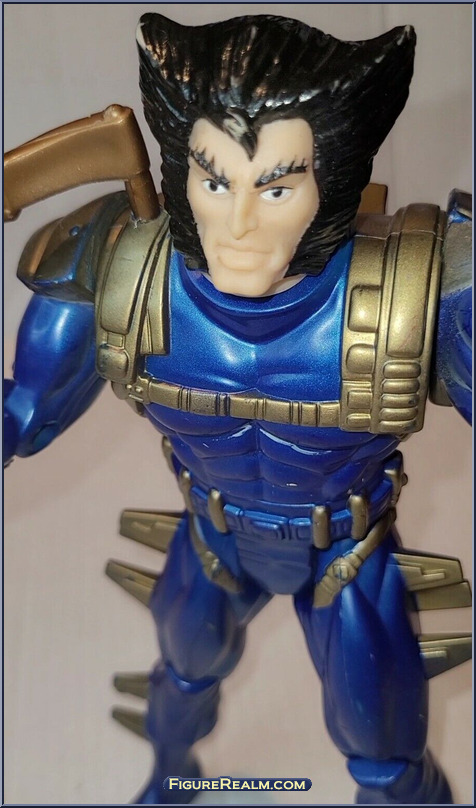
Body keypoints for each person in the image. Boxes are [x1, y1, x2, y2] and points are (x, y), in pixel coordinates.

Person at [4, 13, 471, 805]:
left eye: (276, 187)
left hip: (346, 554)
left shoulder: (422, 292)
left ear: (332, 182)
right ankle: (171, 781)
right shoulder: (120, 270)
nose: (240, 224)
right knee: (179, 685)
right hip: (211, 535)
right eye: (215, 182)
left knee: (388, 757)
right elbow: (21, 416)